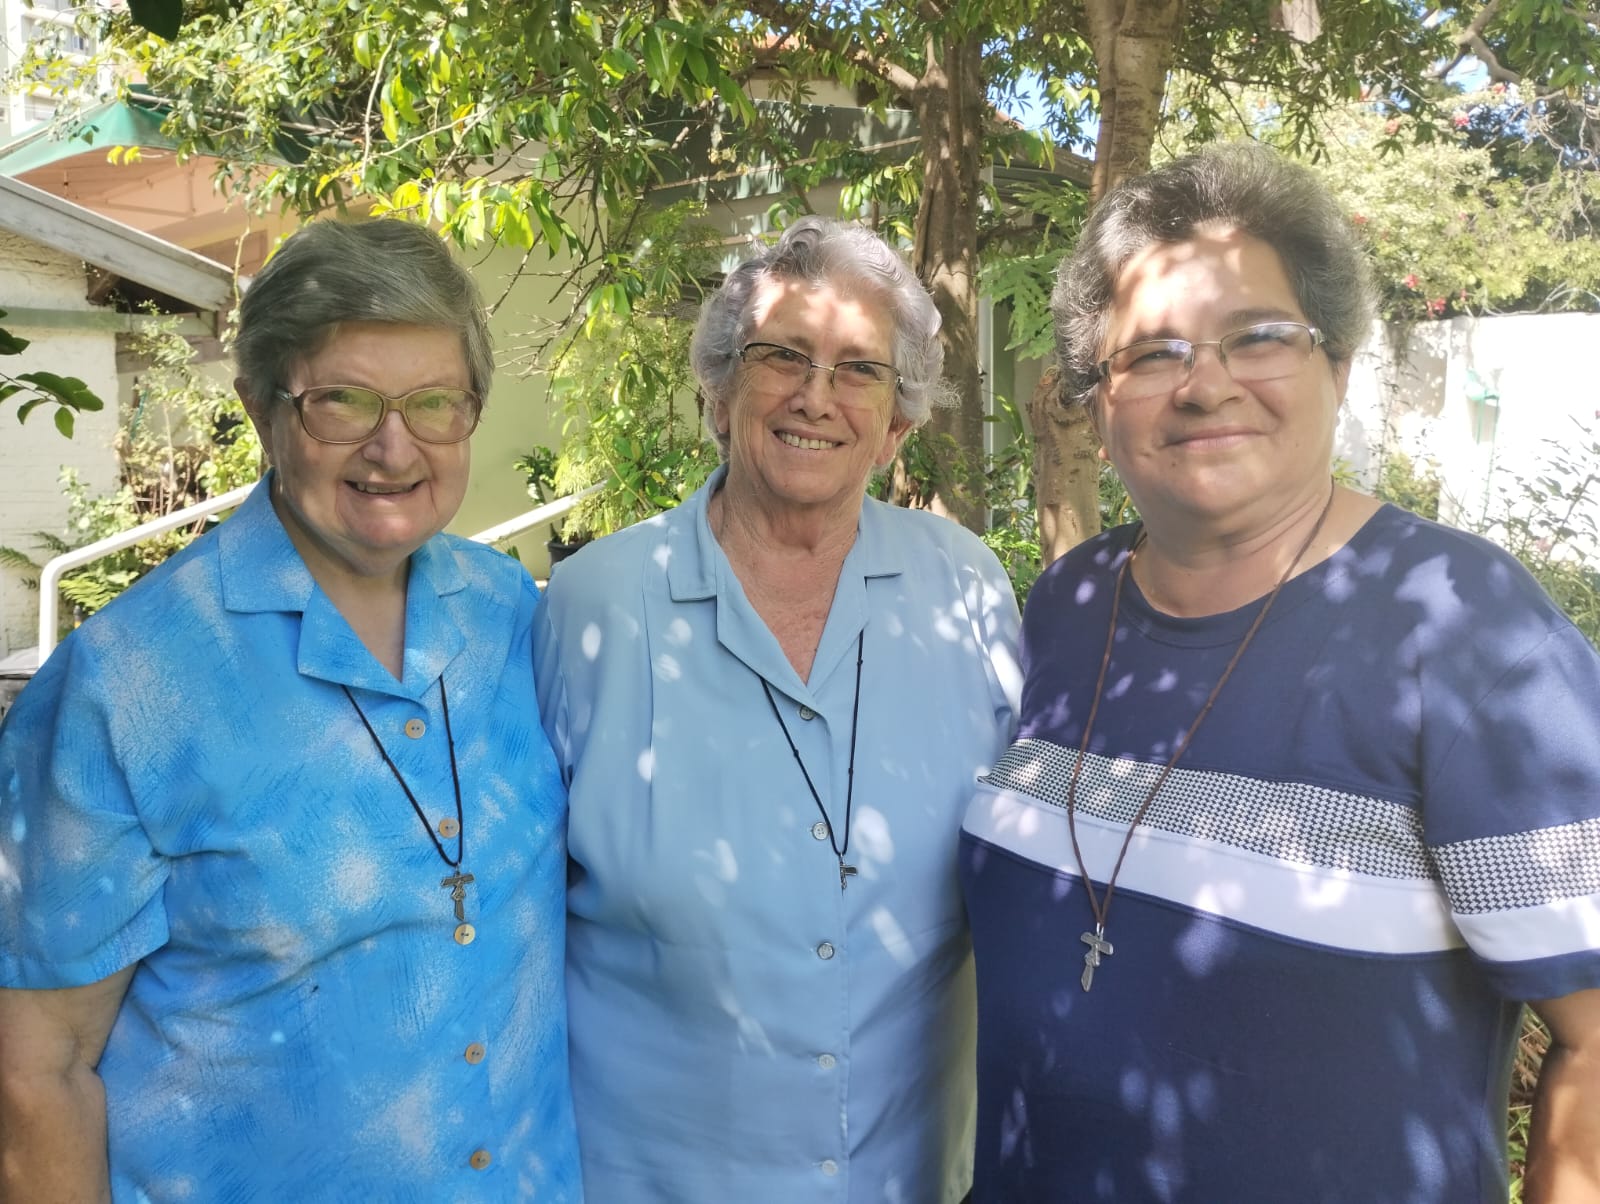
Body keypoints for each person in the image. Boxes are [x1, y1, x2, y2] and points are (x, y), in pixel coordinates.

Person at [960, 142, 1600, 1204]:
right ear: (1098, 396)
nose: (1203, 384)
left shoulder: (1463, 629)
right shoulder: (1066, 604)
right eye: (1152, 352)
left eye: (1256, 336)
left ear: (1336, 366)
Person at [0, 220, 582, 1202]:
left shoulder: (512, 616)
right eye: (342, 402)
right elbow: (35, 1067)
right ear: (263, 409)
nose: (393, 446)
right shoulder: (126, 684)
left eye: (433, 402)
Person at [534, 216, 1022, 1202]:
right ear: (718, 391)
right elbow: (514, 922)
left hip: (907, 1175)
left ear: (897, 421)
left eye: (858, 369)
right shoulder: (597, 608)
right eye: (780, 356)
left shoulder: (965, 590)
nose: (815, 396)